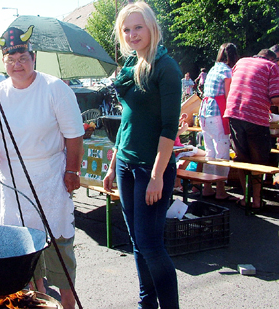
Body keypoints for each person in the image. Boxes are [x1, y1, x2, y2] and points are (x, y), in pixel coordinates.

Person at [0, 25, 84, 309]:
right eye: (10, 59)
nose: (17, 64)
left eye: (22, 57)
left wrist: (72, 172)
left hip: (49, 179)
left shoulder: (54, 88)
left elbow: (74, 134)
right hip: (12, 183)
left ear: (33, 57)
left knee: (59, 248)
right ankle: (38, 300)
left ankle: (68, 304)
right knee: (21, 248)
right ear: (3, 62)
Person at [103, 2, 181, 308]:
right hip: (125, 165)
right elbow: (128, 120)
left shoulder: (166, 67)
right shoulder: (130, 67)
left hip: (152, 170)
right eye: (127, 29)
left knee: (150, 244)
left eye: (138, 27)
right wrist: (112, 165)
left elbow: (168, 129)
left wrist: (157, 176)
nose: (133, 34)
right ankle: (145, 304)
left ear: (151, 28)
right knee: (138, 243)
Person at [224, 48, 279, 210]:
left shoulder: (241, 62)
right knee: (258, 160)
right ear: (272, 59)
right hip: (255, 117)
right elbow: (275, 98)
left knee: (242, 158)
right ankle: (256, 200)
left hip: (233, 113)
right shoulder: (271, 67)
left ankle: (245, 198)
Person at [198, 43, 239, 200]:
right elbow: (229, 96)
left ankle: (207, 187)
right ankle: (221, 190)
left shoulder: (213, 69)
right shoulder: (227, 71)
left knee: (210, 152)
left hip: (204, 112)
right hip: (217, 113)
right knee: (222, 153)